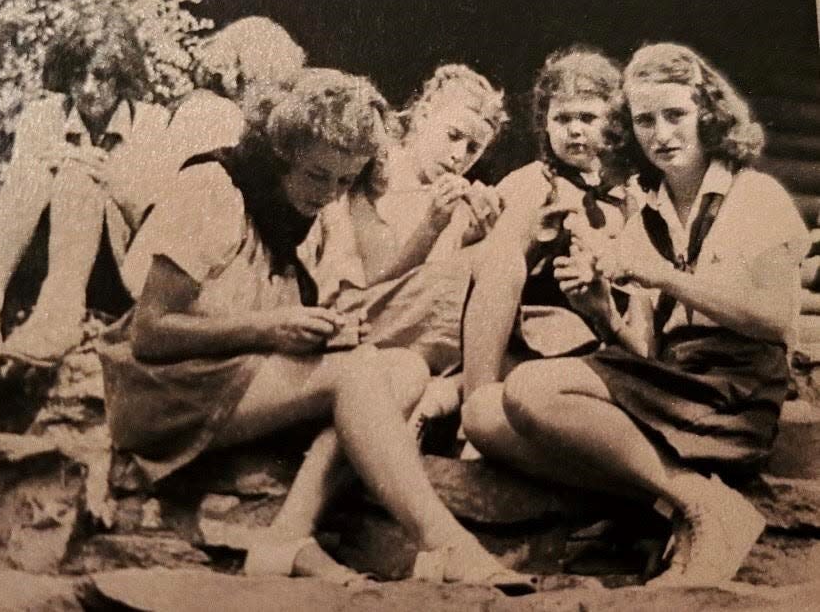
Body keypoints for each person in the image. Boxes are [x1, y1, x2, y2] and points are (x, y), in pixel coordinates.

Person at [98, 68, 535, 592]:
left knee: (399, 368)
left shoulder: (315, 211)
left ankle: (289, 533)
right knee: (357, 374)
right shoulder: (213, 188)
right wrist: (271, 327)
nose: (330, 194)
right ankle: (446, 544)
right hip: (161, 394)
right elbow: (151, 333)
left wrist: (327, 327)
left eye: (345, 181)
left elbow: (349, 293)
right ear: (281, 152)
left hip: (236, 377)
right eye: (317, 175)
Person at [463, 43, 808, 587]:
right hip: (673, 382)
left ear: (708, 114)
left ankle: (697, 508)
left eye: (676, 115)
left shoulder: (756, 195)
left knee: (532, 388)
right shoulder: (646, 210)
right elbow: (646, 352)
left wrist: (659, 274)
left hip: (733, 387)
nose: (661, 133)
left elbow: (778, 323)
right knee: (483, 413)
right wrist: (601, 311)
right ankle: (687, 502)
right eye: (644, 120)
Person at [0, 13, 170, 370]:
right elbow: (13, 207)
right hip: (45, 255)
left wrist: (111, 180)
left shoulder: (151, 123)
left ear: (121, 76)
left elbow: (159, 225)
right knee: (34, 177)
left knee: (79, 174)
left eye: (101, 76)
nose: (89, 88)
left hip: (116, 268)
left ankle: (59, 316)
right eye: (78, 75)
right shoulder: (42, 116)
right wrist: (47, 169)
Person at [310, 65, 506, 425]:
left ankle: (438, 400)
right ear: (425, 114)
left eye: (474, 148)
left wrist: (470, 239)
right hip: (355, 317)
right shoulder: (372, 169)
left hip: (410, 334)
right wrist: (431, 228)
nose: (460, 155)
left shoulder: (449, 197)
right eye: (454, 135)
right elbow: (364, 284)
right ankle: (460, 406)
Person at [459, 45, 635, 410]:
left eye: (587, 118)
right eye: (562, 119)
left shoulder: (627, 196)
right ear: (545, 123)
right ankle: (474, 402)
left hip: (604, 340)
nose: (574, 130)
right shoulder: (535, 183)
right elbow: (496, 275)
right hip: (532, 338)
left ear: (615, 123)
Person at [122, 16, 307, 299]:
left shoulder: (199, 106)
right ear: (246, 75)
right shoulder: (216, 113)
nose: (282, 97)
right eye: (278, 83)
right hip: (171, 269)